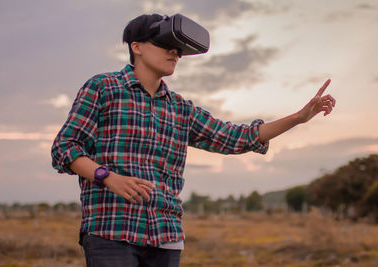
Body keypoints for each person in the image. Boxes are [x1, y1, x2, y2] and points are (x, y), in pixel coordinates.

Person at [51, 13, 335, 267]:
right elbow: (64, 148)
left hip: (166, 235)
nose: (174, 52)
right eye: (164, 44)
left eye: (178, 49)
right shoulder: (103, 88)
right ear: (136, 46)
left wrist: (299, 117)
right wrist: (108, 177)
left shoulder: (180, 108)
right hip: (112, 230)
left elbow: (237, 137)